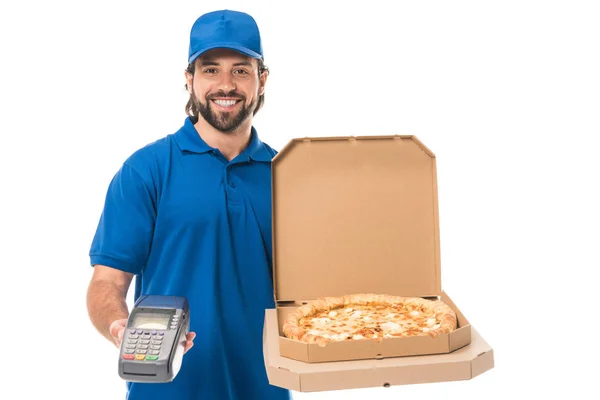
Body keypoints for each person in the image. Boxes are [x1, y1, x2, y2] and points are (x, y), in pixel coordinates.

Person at [86, 9, 292, 400]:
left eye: (241, 70)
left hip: (265, 389)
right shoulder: (147, 170)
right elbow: (107, 282)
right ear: (190, 79)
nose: (226, 85)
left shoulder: (288, 174)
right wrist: (119, 326)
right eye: (211, 70)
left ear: (262, 80)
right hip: (167, 390)